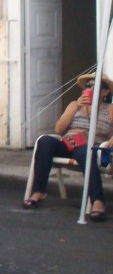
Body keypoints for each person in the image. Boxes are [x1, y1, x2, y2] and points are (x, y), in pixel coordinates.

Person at [24, 73, 112, 221]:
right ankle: (38, 191)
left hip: (89, 147)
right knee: (45, 141)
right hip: (67, 144)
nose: (90, 88)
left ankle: (97, 201)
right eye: (88, 86)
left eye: (95, 86)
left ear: (105, 92)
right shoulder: (74, 105)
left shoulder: (110, 109)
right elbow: (59, 129)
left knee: (86, 152)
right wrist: (77, 106)